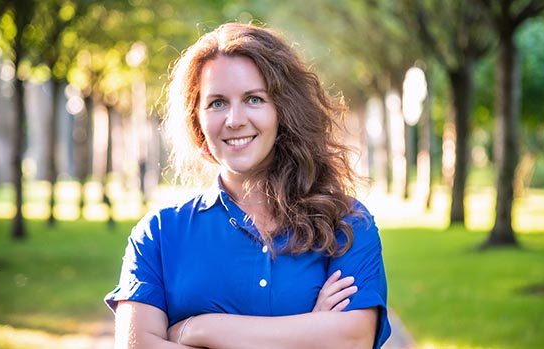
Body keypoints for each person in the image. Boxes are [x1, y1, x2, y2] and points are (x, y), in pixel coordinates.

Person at [105, 22, 391, 349]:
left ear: (284, 110)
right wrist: (311, 331)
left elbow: (353, 340)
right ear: (196, 119)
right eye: (217, 103)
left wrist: (200, 329)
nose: (235, 119)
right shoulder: (158, 235)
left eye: (254, 99)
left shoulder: (346, 222)